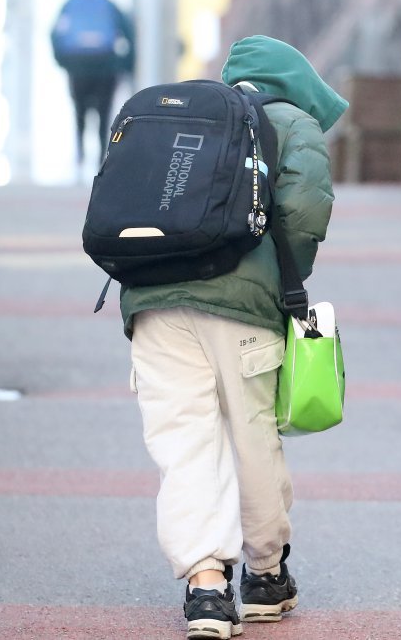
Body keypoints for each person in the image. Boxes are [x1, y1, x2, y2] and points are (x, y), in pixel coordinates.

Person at [120, 35, 347, 640]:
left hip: (152, 301)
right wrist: (278, 282)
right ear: (297, 84)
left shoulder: (181, 122)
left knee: (184, 441)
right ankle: (266, 578)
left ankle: (205, 587)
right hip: (241, 312)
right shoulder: (292, 121)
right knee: (250, 437)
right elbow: (302, 214)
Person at [51, 0, 135, 169]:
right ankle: (101, 158)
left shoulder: (69, 5)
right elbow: (128, 34)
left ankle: (79, 155)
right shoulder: (108, 4)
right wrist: (125, 64)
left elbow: (54, 35)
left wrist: (63, 61)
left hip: (78, 67)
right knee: (104, 114)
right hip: (105, 66)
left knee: (79, 112)